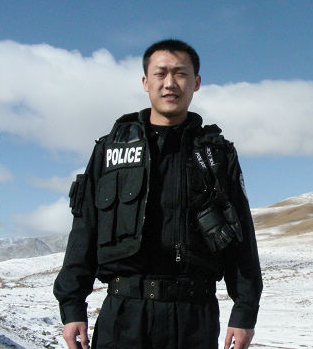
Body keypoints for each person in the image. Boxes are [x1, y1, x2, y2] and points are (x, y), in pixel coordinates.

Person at [54, 39, 262, 349]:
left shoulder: (217, 154)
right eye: (160, 73)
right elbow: (85, 229)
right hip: (124, 315)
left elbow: (241, 235)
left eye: (180, 74)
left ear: (196, 83)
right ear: (145, 82)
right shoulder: (110, 150)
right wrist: (72, 307)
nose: (170, 83)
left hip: (194, 316)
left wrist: (245, 312)